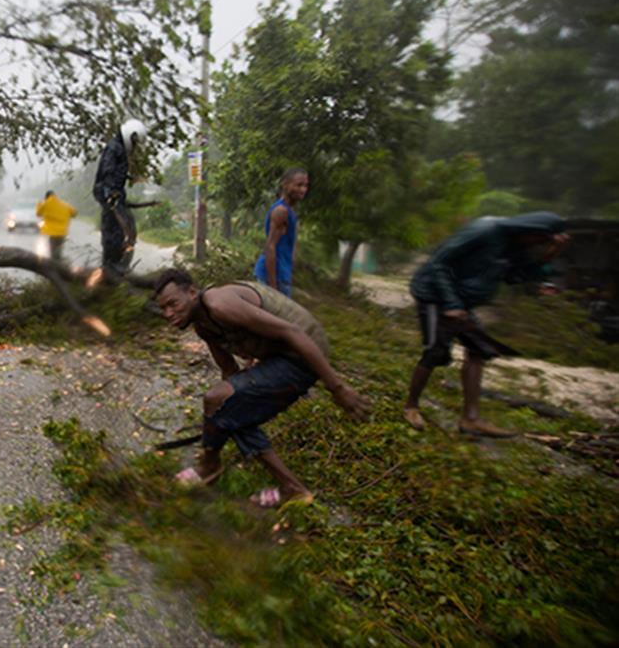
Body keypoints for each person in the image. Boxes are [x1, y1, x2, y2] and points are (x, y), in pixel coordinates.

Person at [154, 268, 371, 507]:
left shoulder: (219, 305)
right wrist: (216, 424)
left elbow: (293, 331)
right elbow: (229, 372)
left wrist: (337, 388)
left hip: (303, 354)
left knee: (220, 401)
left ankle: (212, 467)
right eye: (163, 308)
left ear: (192, 292)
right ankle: (282, 485)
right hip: (278, 358)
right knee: (227, 407)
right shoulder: (204, 326)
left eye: (173, 304)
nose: (169, 313)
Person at [403, 212, 570, 436]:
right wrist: (452, 303)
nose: (537, 245)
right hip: (434, 295)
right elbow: (438, 264)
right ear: (531, 231)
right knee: (436, 351)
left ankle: (470, 419)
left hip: (461, 301)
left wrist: (550, 255)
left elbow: (516, 277)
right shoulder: (485, 230)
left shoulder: (513, 246)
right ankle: (411, 406)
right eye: (539, 240)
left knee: (479, 350)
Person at [93, 119, 146, 276]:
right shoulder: (114, 147)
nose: (135, 146)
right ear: (131, 135)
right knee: (114, 227)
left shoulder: (119, 148)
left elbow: (116, 171)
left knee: (122, 227)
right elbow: (108, 170)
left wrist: (129, 177)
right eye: (134, 142)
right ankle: (111, 265)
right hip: (108, 192)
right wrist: (111, 192)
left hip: (113, 191)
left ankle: (115, 263)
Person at [253, 168, 309, 297]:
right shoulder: (281, 211)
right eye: (299, 185)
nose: (303, 190)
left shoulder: (289, 211)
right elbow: (270, 246)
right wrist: (273, 287)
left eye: (306, 185)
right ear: (285, 184)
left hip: (282, 275)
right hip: (274, 277)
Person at [35, 190, 77, 261]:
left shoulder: (45, 204)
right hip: (62, 231)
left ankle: (55, 266)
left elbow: (38, 213)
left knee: (53, 251)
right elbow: (74, 213)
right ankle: (59, 264)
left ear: (46, 197)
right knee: (59, 250)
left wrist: (39, 204)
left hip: (52, 232)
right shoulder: (64, 204)